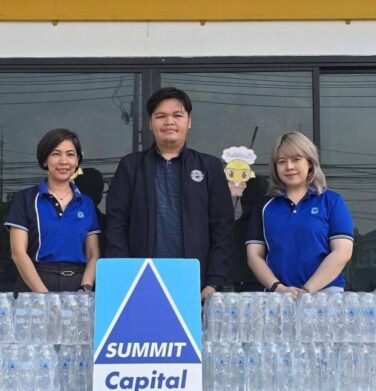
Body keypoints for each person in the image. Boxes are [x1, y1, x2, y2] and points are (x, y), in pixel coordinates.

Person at [106, 87, 234, 300]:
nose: (169, 122)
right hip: (141, 281)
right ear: (150, 123)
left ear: (189, 121)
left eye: (177, 115)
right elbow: (116, 222)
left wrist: (214, 281)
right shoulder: (131, 166)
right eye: (161, 116)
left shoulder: (209, 166)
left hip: (195, 283)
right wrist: (125, 274)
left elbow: (223, 226)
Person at [246, 131, 354, 297]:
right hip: (278, 298)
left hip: (326, 297)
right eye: (282, 161)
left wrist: (307, 290)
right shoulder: (264, 206)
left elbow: (342, 252)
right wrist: (279, 288)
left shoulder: (332, 201)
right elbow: (254, 255)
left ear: (310, 162)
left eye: (296, 159)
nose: (289, 167)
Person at [5, 128, 100, 293]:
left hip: (77, 285)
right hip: (35, 285)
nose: (64, 161)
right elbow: (18, 253)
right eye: (56, 154)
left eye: (70, 154)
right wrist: (44, 297)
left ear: (77, 160)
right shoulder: (25, 199)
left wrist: (85, 288)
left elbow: (93, 253)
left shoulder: (86, 203)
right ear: (44, 160)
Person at [73, 167, 107, 257]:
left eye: (99, 189)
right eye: (93, 188)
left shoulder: (108, 223)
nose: (98, 193)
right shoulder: (66, 221)